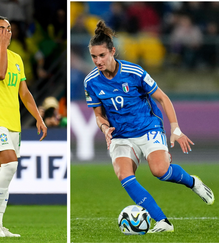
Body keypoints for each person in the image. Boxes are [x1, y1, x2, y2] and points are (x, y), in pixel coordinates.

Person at [84, 20, 214, 233]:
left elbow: (162, 98)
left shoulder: (134, 72)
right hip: (120, 135)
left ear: (112, 52)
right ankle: (163, 221)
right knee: (124, 176)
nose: (98, 61)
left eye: (102, 55)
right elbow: (98, 114)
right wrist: (104, 127)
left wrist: (176, 128)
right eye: (94, 57)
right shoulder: (91, 82)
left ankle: (193, 182)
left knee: (160, 171)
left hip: (147, 128)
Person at [0, 15, 47, 237]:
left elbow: (24, 92)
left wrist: (38, 117)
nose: (6, 32)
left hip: (12, 123)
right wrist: (3, 48)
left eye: (8, 28)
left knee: (2, 173)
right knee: (10, 166)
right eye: (0, 29)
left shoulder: (17, 58)